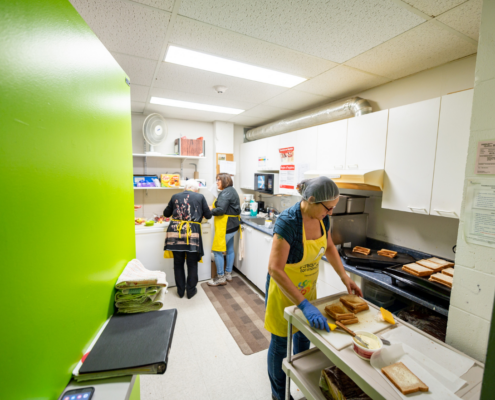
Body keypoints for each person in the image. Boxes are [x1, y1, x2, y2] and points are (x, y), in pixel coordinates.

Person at [264, 176, 363, 400]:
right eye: (328, 208)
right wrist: (304, 304)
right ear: (311, 200)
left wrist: (344, 277)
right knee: (280, 344)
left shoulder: (322, 220)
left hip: (308, 290)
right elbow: (275, 269)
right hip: (284, 292)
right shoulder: (288, 222)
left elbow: (328, 245)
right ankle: (278, 394)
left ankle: (301, 382)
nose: (330, 213)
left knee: (304, 338)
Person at [163, 180, 212, 299]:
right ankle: (190, 291)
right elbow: (209, 215)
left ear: (185, 188)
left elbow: (166, 213)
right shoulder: (200, 196)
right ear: (196, 189)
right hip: (192, 232)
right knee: (192, 263)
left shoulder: (175, 196)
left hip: (175, 232)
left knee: (178, 263)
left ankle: (180, 291)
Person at [207, 173, 241, 287]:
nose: (216, 182)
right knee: (230, 249)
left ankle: (220, 278)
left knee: (217, 251)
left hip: (226, 226)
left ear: (225, 181)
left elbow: (221, 210)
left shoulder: (225, 192)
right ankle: (228, 274)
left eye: (218, 180)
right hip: (233, 225)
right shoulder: (232, 190)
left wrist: (208, 211)